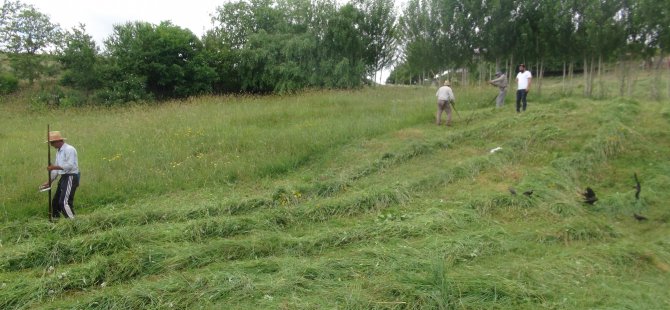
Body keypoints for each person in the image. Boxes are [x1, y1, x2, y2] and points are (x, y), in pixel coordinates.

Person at [41, 131, 80, 219]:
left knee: (64, 203)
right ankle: (55, 222)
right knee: (55, 203)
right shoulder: (59, 152)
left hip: (71, 176)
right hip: (64, 177)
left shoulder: (69, 149)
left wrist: (54, 167)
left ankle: (73, 223)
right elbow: (55, 170)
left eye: (52, 142)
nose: (51, 145)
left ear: (58, 141)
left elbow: (70, 166)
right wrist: (50, 182)